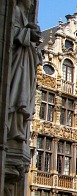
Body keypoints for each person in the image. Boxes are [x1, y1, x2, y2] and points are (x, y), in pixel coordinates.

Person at [8, 0, 42, 144]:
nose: (31, 3)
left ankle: (16, 129)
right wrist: (28, 34)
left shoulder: (22, 16)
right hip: (18, 62)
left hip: (24, 63)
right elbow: (11, 33)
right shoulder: (14, 12)